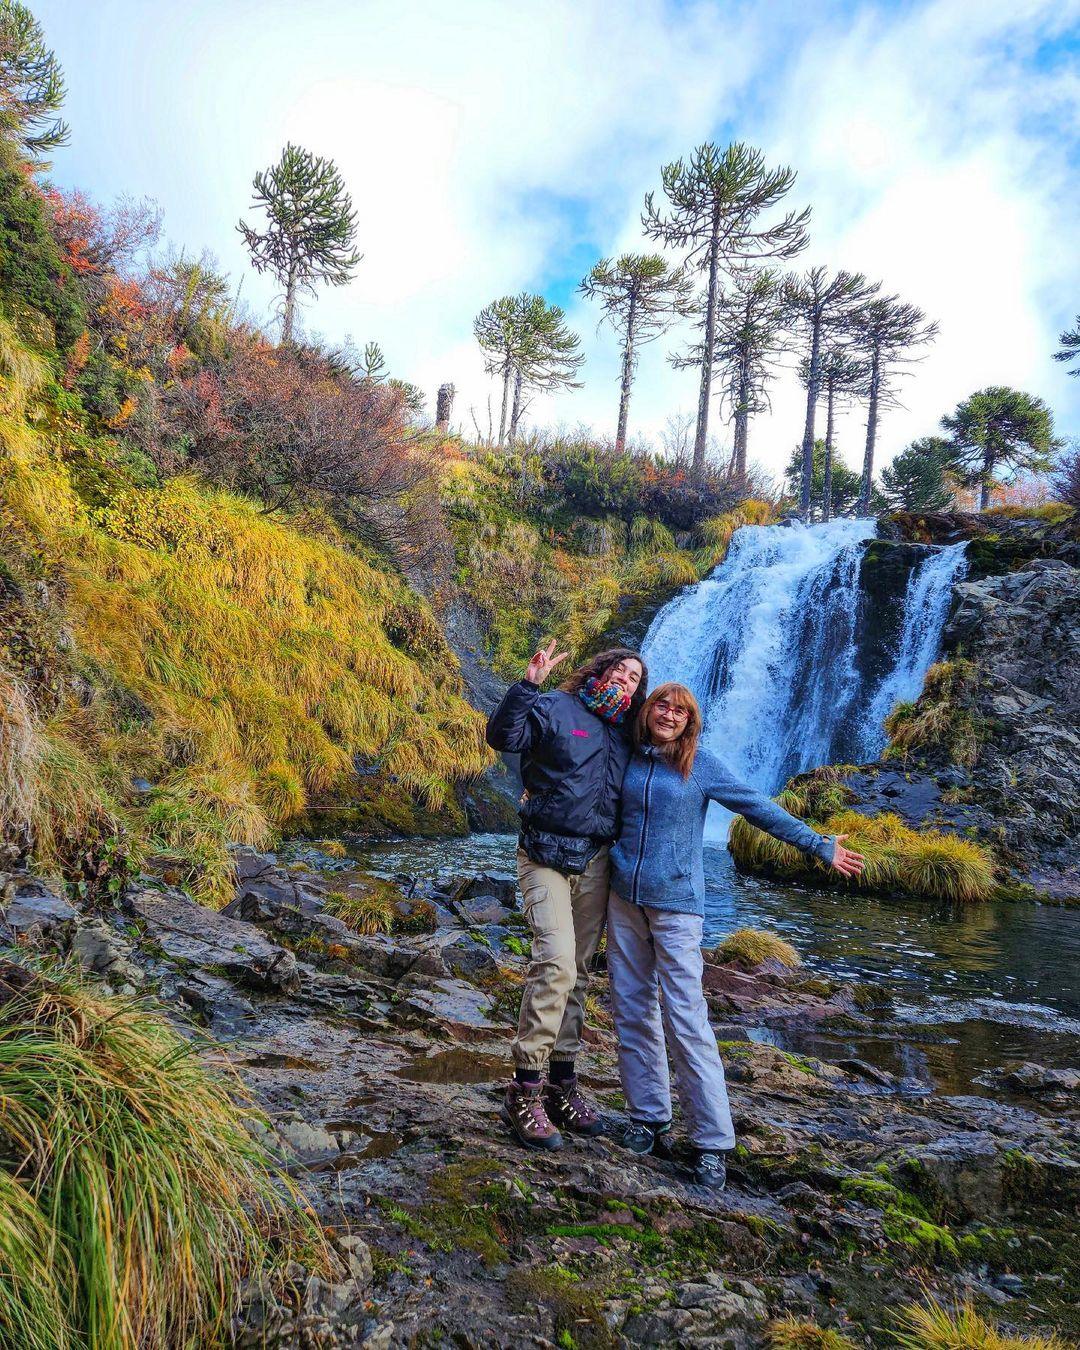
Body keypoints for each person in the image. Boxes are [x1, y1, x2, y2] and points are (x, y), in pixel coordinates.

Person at [607, 681, 864, 1189]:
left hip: (678, 904)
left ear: (690, 721)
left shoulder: (699, 764)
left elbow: (754, 805)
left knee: (686, 1017)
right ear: (646, 710)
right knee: (633, 1009)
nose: (670, 714)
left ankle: (712, 1141)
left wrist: (819, 845)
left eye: (681, 710)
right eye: (662, 704)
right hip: (622, 900)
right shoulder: (628, 755)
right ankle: (649, 1118)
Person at [486, 640, 647, 1150]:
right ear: (599, 671)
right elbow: (503, 736)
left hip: (596, 861)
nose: (626, 678)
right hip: (543, 854)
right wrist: (528, 684)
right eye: (619, 669)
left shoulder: (628, 733)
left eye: (636, 677)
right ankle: (524, 1090)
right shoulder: (558, 705)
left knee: (577, 974)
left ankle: (562, 1086)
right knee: (555, 962)